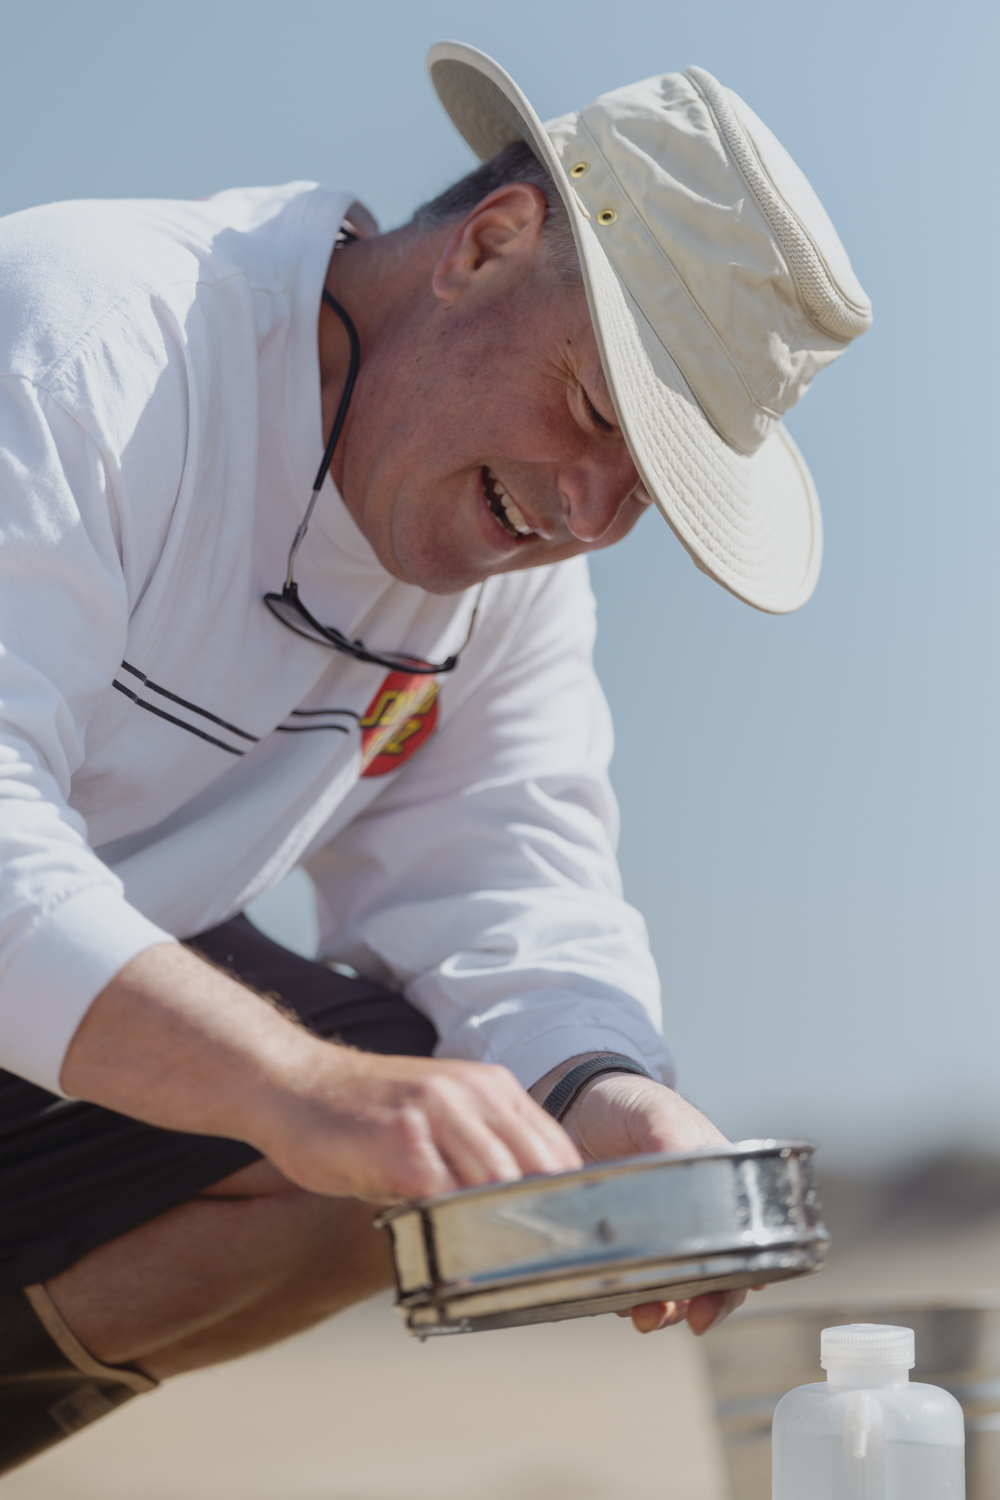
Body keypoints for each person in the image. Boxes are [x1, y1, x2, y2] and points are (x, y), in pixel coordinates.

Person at [0, 42, 870, 1468]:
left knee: (452, 1129)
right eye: (597, 411)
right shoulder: (90, 337)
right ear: (489, 245)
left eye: (646, 490)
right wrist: (288, 1088)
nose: (587, 514)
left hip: (57, 1018)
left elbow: (500, 874)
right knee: (337, 1095)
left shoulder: (524, 558)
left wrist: (606, 1096)